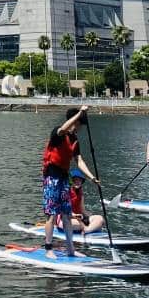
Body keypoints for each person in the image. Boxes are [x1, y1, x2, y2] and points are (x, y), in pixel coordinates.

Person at [41, 105, 99, 257]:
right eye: (80, 124)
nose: (80, 128)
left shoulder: (75, 140)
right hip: (52, 177)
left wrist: (91, 177)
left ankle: (71, 249)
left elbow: (79, 161)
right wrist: (80, 113)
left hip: (64, 179)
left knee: (66, 215)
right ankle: (48, 248)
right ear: (75, 122)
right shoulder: (58, 133)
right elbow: (63, 129)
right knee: (52, 215)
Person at [67, 168, 105, 234]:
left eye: (79, 180)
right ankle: (89, 228)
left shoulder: (80, 193)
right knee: (78, 223)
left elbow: (83, 210)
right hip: (67, 218)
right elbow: (65, 211)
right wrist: (75, 215)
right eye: (75, 180)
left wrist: (90, 215)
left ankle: (87, 230)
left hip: (79, 218)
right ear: (71, 181)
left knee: (100, 219)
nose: (78, 182)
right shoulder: (65, 192)